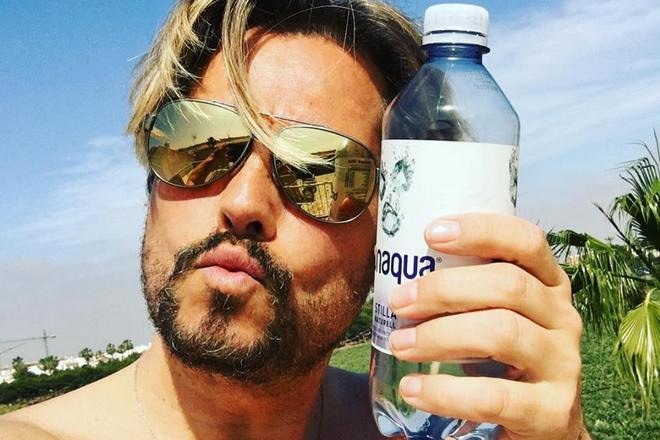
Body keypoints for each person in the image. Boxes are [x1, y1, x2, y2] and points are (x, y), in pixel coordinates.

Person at [0, 1, 589, 439]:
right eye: (198, 145)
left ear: (389, 230)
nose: (243, 203)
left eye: (321, 171)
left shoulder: (428, 426)